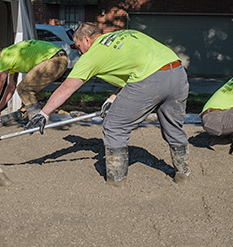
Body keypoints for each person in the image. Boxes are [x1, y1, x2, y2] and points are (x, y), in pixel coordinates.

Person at [25, 23, 191, 186]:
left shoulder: (92, 55)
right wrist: (113, 98)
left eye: (78, 46)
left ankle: (116, 181)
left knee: (114, 126)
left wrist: (44, 113)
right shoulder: (127, 33)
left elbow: (67, 88)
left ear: (86, 40)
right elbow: (137, 68)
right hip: (177, 73)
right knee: (173, 126)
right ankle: (183, 173)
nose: (79, 50)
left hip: (150, 81)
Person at [0, 40, 68, 123]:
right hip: (60, 58)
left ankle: (36, 121)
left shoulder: (6, 57)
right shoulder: (13, 55)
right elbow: (10, 88)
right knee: (31, 89)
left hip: (54, 60)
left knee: (23, 89)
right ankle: (43, 111)